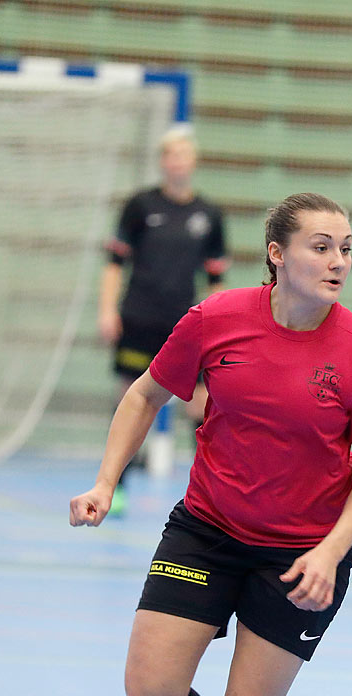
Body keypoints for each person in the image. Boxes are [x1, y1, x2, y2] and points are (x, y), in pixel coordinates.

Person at [70, 193, 352, 696]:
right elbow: (144, 396)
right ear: (277, 253)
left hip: (301, 558)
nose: (337, 260)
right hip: (208, 531)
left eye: (345, 247)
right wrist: (105, 482)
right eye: (320, 245)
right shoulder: (217, 320)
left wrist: (330, 552)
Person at [98, 124, 229, 512]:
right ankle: (115, 486)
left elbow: (216, 279)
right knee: (131, 399)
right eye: (170, 155)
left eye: (184, 155)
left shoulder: (209, 214)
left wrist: (215, 326)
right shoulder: (140, 205)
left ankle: (207, 493)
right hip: (139, 319)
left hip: (186, 325)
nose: (177, 162)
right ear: (162, 162)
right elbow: (114, 264)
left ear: (193, 161)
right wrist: (108, 310)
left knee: (201, 404)